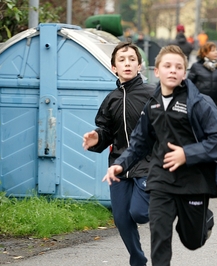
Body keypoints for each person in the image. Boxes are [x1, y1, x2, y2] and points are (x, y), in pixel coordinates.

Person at [103, 45, 217, 266]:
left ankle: (205, 218)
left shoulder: (200, 103)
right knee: (160, 242)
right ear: (157, 71)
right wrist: (121, 164)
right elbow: (140, 142)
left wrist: (187, 153)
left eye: (178, 67)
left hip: (193, 182)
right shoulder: (153, 104)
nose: (173, 70)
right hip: (161, 181)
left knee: (193, 241)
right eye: (167, 66)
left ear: (184, 72)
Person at [82, 42, 155, 266]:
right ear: (113, 67)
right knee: (122, 219)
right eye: (122, 60)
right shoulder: (111, 99)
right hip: (119, 165)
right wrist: (97, 137)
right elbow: (105, 131)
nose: (127, 63)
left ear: (139, 66)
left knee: (140, 213)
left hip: (147, 162)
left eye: (132, 59)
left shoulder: (152, 94)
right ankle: (138, 260)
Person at [187, 42, 217, 107]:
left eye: (216, 50)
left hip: (214, 101)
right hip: (199, 101)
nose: (216, 52)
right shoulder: (196, 66)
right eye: (213, 51)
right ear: (205, 53)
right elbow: (189, 83)